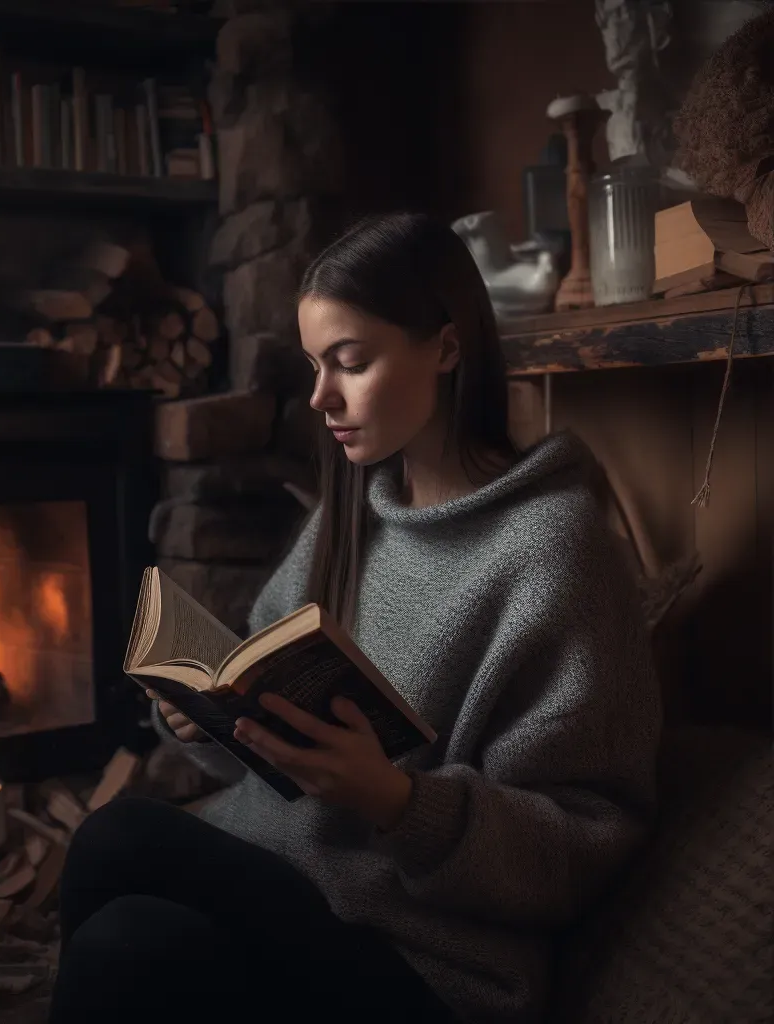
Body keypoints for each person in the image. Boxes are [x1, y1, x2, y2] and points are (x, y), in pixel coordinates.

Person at [49, 213, 662, 1023]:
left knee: (128, 944)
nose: (319, 397)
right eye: (314, 366)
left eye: (350, 362)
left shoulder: (554, 553)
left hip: (426, 959)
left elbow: (585, 843)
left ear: (446, 349)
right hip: (294, 884)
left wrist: (398, 803)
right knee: (113, 840)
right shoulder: (356, 511)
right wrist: (211, 721)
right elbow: (275, 760)